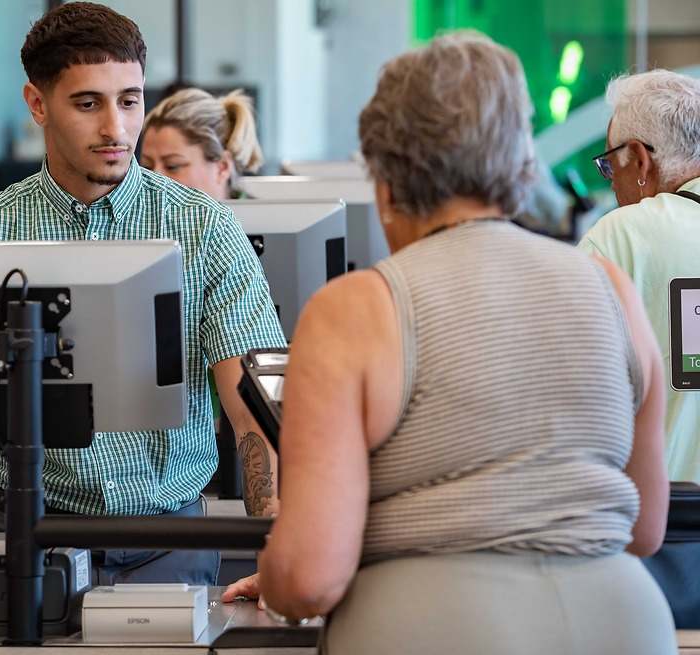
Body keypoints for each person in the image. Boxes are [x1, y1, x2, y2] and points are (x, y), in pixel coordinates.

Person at [0, 2, 286, 605]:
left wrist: (279, 542)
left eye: (130, 100)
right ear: (38, 104)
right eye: (88, 103)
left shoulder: (204, 229)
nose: (117, 129)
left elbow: (252, 406)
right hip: (21, 540)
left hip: (167, 541)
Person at [223, 32, 675, 654]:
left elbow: (308, 578)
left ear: (385, 179)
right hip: (626, 626)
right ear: (520, 164)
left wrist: (275, 576)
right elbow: (646, 527)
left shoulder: (356, 309)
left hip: (431, 630)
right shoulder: (612, 290)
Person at [578, 69, 700, 484]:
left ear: (640, 158)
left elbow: (572, 392)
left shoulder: (621, 236)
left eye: (611, 166)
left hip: (666, 527)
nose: (612, 187)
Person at [140, 87, 264, 200]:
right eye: (147, 168)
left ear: (222, 167)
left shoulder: (265, 221)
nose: (153, 180)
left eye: (172, 166)